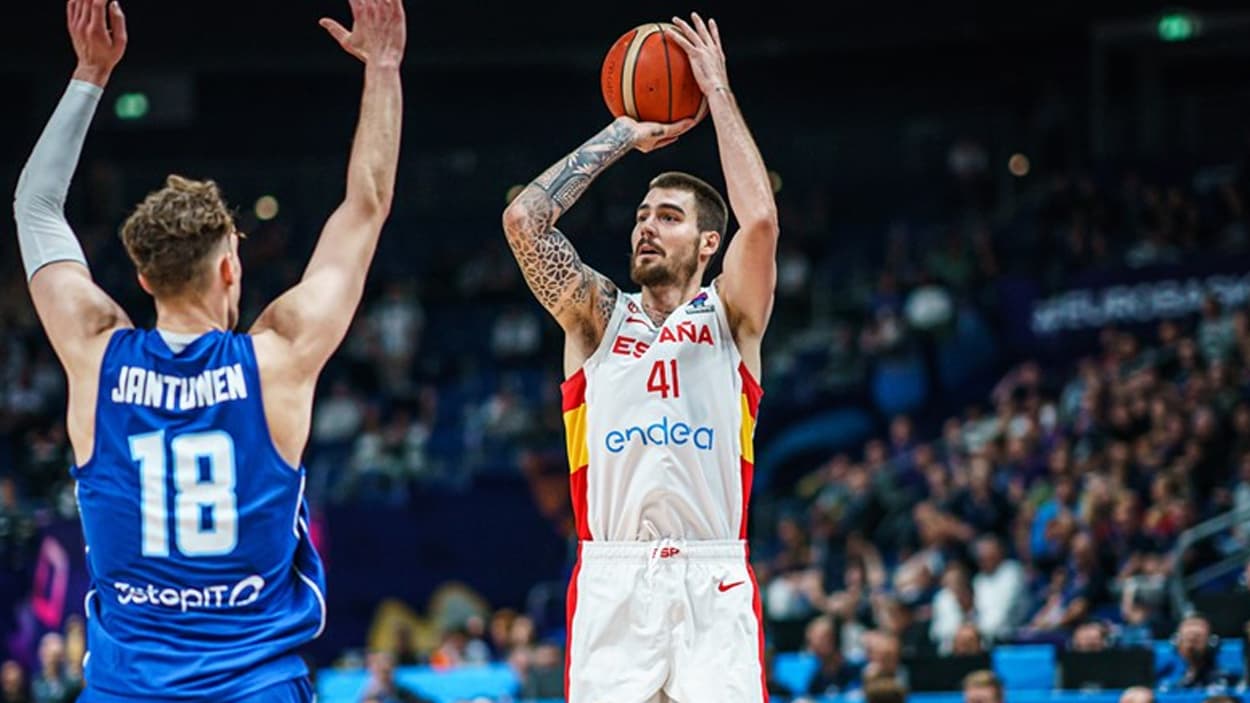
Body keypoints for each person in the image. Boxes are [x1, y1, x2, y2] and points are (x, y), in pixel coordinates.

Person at [12, 0, 406, 700]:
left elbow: (36, 206)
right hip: (254, 684)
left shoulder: (94, 356)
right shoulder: (280, 356)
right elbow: (366, 205)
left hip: (127, 688)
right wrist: (383, 68)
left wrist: (89, 74)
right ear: (230, 268)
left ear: (140, 278)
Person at [501, 13, 779, 701]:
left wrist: (714, 91)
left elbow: (763, 222)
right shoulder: (598, 316)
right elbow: (522, 223)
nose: (645, 224)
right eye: (642, 214)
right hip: (614, 575)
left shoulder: (731, 315)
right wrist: (625, 133)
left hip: (711, 571)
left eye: (669, 216)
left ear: (708, 243)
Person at [1159, 614, 1234, 691]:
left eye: (1198, 638)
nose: (1192, 646)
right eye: (1188, 639)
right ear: (1176, 641)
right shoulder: (1162, 675)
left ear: (1212, 642)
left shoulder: (1222, 677)